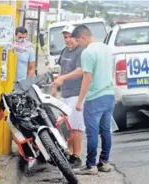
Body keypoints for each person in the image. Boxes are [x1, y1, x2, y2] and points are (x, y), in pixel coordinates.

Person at [71, 25, 115, 175]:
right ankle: (104, 162)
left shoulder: (87, 52)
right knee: (106, 131)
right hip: (109, 95)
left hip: (94, 98)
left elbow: (87, 78)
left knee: (92, 133)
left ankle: (91, 166)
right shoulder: (106, 48)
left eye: (78, 40)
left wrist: (79, 100)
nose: (78, 44)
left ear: (83, 37)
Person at [51, 25, 84, 168]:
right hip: (65, 93)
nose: (68, 40)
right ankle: (70, 154)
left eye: (70, 36)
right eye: (65, 37)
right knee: (67, 126)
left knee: (76, 127)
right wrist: (55, 86)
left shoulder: (81, 52)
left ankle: (76, 155)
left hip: (76, 93)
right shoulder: (65, 51)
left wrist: (63, 78)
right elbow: (62, 70)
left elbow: (80, 71)